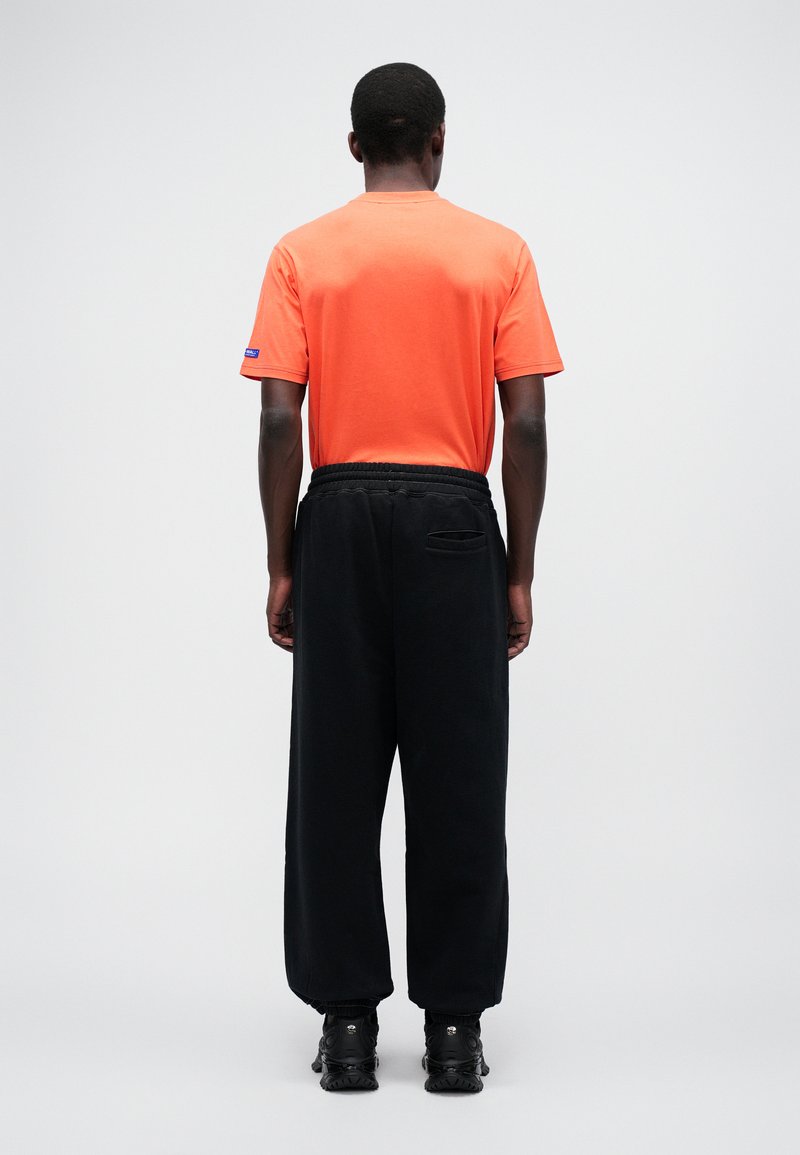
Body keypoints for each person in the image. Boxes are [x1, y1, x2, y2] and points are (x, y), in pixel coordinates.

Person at [239, 61, 564, 1093]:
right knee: (458, 772)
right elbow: (525, 423)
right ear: (436, 142)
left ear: (353, 148)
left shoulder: (301, 252)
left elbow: (279, 417)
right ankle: (454, 1032)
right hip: (453, 522)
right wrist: (518, 570)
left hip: (336, 515)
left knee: (334, 775)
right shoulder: (498, 251)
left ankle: (346, 1028)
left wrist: (282, 561)